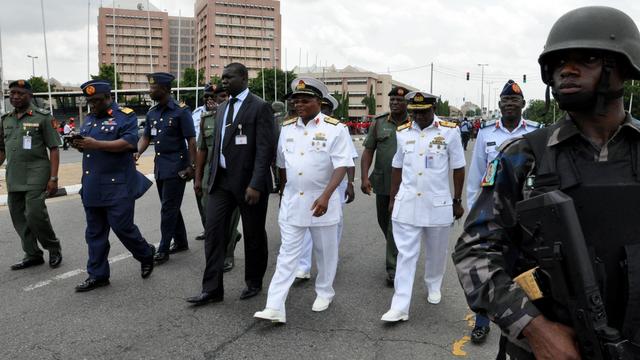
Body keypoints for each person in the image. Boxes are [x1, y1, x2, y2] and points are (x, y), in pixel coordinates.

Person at [453, 6, 640, 359]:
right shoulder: (524, 156)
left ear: (623, 67)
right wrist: (535, 329)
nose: (566, 70)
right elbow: (473, 252)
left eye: (586, 58)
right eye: (558, 63)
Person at [254, 77, 354, 323]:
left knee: (325, 252)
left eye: (305, 100)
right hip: (293, 202)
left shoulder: (335, 129)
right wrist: (283, 191)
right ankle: (275, 306)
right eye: (295, 100)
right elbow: (282, 165)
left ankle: (325, 291)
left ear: (318, 101)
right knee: (287, 253)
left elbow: (342, 165)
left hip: (322, 201)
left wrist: (327, 196)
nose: (299, 104)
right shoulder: (287, 128)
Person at [186, 62, 276, 305]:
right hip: (221, 182)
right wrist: (205, 178)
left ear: (244, 78)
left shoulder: (259, 107)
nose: (224, 81)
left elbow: (265, 148)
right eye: (222, 77)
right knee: (214, 233)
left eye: (229, 77)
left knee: (253, 234)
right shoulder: (222, 107)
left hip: (250, 183)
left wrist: (257, 183)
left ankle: (254, 281)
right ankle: (212, 289)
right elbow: (216, 147)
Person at [464, 79, 539, 344]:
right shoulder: (486, 133)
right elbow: (476, 176)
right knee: (487, 267)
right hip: (492, 211)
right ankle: (482, 322)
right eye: (505, 101)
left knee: (526, 268)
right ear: (499, 105)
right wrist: (474, 214)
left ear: (523, 105)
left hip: (524, 213)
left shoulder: (535, 131)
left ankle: (529, 324)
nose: (510, 104)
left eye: (515, 100)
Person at [381, 91, 465, 322]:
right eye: (415, 112)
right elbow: (397, 166)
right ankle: (399, 306)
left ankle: (433, 284)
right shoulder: (402, 133)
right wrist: (392, 197)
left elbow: (458, 167)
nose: (419, 117)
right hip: (407, 203)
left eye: (424, 112)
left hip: (437, 204)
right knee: (406, 255)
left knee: (436, 252)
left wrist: (457, 201)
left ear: (433, 108)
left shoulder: (449, 131)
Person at [71, 80, 156, 292]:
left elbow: (129, 144)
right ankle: (98, 275)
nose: (92, 105)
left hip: (117, 185)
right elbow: (90, 147)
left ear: (109, 97)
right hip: (92, 185)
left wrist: (95, 144)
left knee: (123, 228)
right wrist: (81, 145)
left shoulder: (124, 116)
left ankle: (146, 254)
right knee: (95, 233)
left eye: (97, 100)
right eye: (89, 101)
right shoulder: (89, 118)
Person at [0, 79, 62, 270]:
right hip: (14, 175)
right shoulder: (5, 119)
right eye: (12, 93)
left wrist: (53, 178)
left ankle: (53, 248)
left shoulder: (42, 117)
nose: (16, 97)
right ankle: (32, 254)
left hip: (37, 173)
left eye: (20, 93)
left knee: (36, 214)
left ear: (30, 95)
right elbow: (1, 150)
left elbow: (54, 148)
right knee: (18, 216)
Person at [136, 72, 197, 264]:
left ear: (164, 89)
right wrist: (136, 152)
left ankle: (163, 248)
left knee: (168, 209)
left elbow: (191, 140)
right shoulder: (152, 112)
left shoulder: (181, 111)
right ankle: (181, 241)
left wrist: (192, 166)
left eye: (153, 88)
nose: (150, 90)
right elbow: (146, 137)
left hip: (177, 167)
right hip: (161, 167)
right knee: (170, 206)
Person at [295, 93, 357, 280]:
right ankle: (303, 266)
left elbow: (349, 159)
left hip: (335, 185)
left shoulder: (339, 129)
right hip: (312, 185)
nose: (325, 112)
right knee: (306, 224)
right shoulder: (302, 126)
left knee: (333, 226)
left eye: (328, 109)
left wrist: (351, 183)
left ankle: (331, 260)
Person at [360, 86, 410, 286]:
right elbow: (368, 151)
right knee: (383, 221)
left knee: (393, 225)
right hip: (382, 181)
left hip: (406, 183)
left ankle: (393, 269)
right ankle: (397, 249)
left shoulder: (414, 122)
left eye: (399, 101)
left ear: (407, 103)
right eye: (392, 101)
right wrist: (364, 177)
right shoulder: (380, 123)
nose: (395, 104)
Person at [194, 83, 242, 273]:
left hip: (231, 174)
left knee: (230, 217)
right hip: (209, 174)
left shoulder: (238, 118)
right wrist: (198, 179)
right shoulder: (206, 119)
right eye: (208, 97)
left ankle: (227, 254)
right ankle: (230, 237)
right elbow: (202, 150)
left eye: (219, 96)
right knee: (210, 217)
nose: (212, 100)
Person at [190, 84, 217, 241]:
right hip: (200, 160)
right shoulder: (196, 113)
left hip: (215, 160)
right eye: (206, 96)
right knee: (201, 197)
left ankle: (224, 230)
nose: (209, 99)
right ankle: (207, 228)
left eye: (212, 96)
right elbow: (193, 140)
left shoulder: (222, 112)